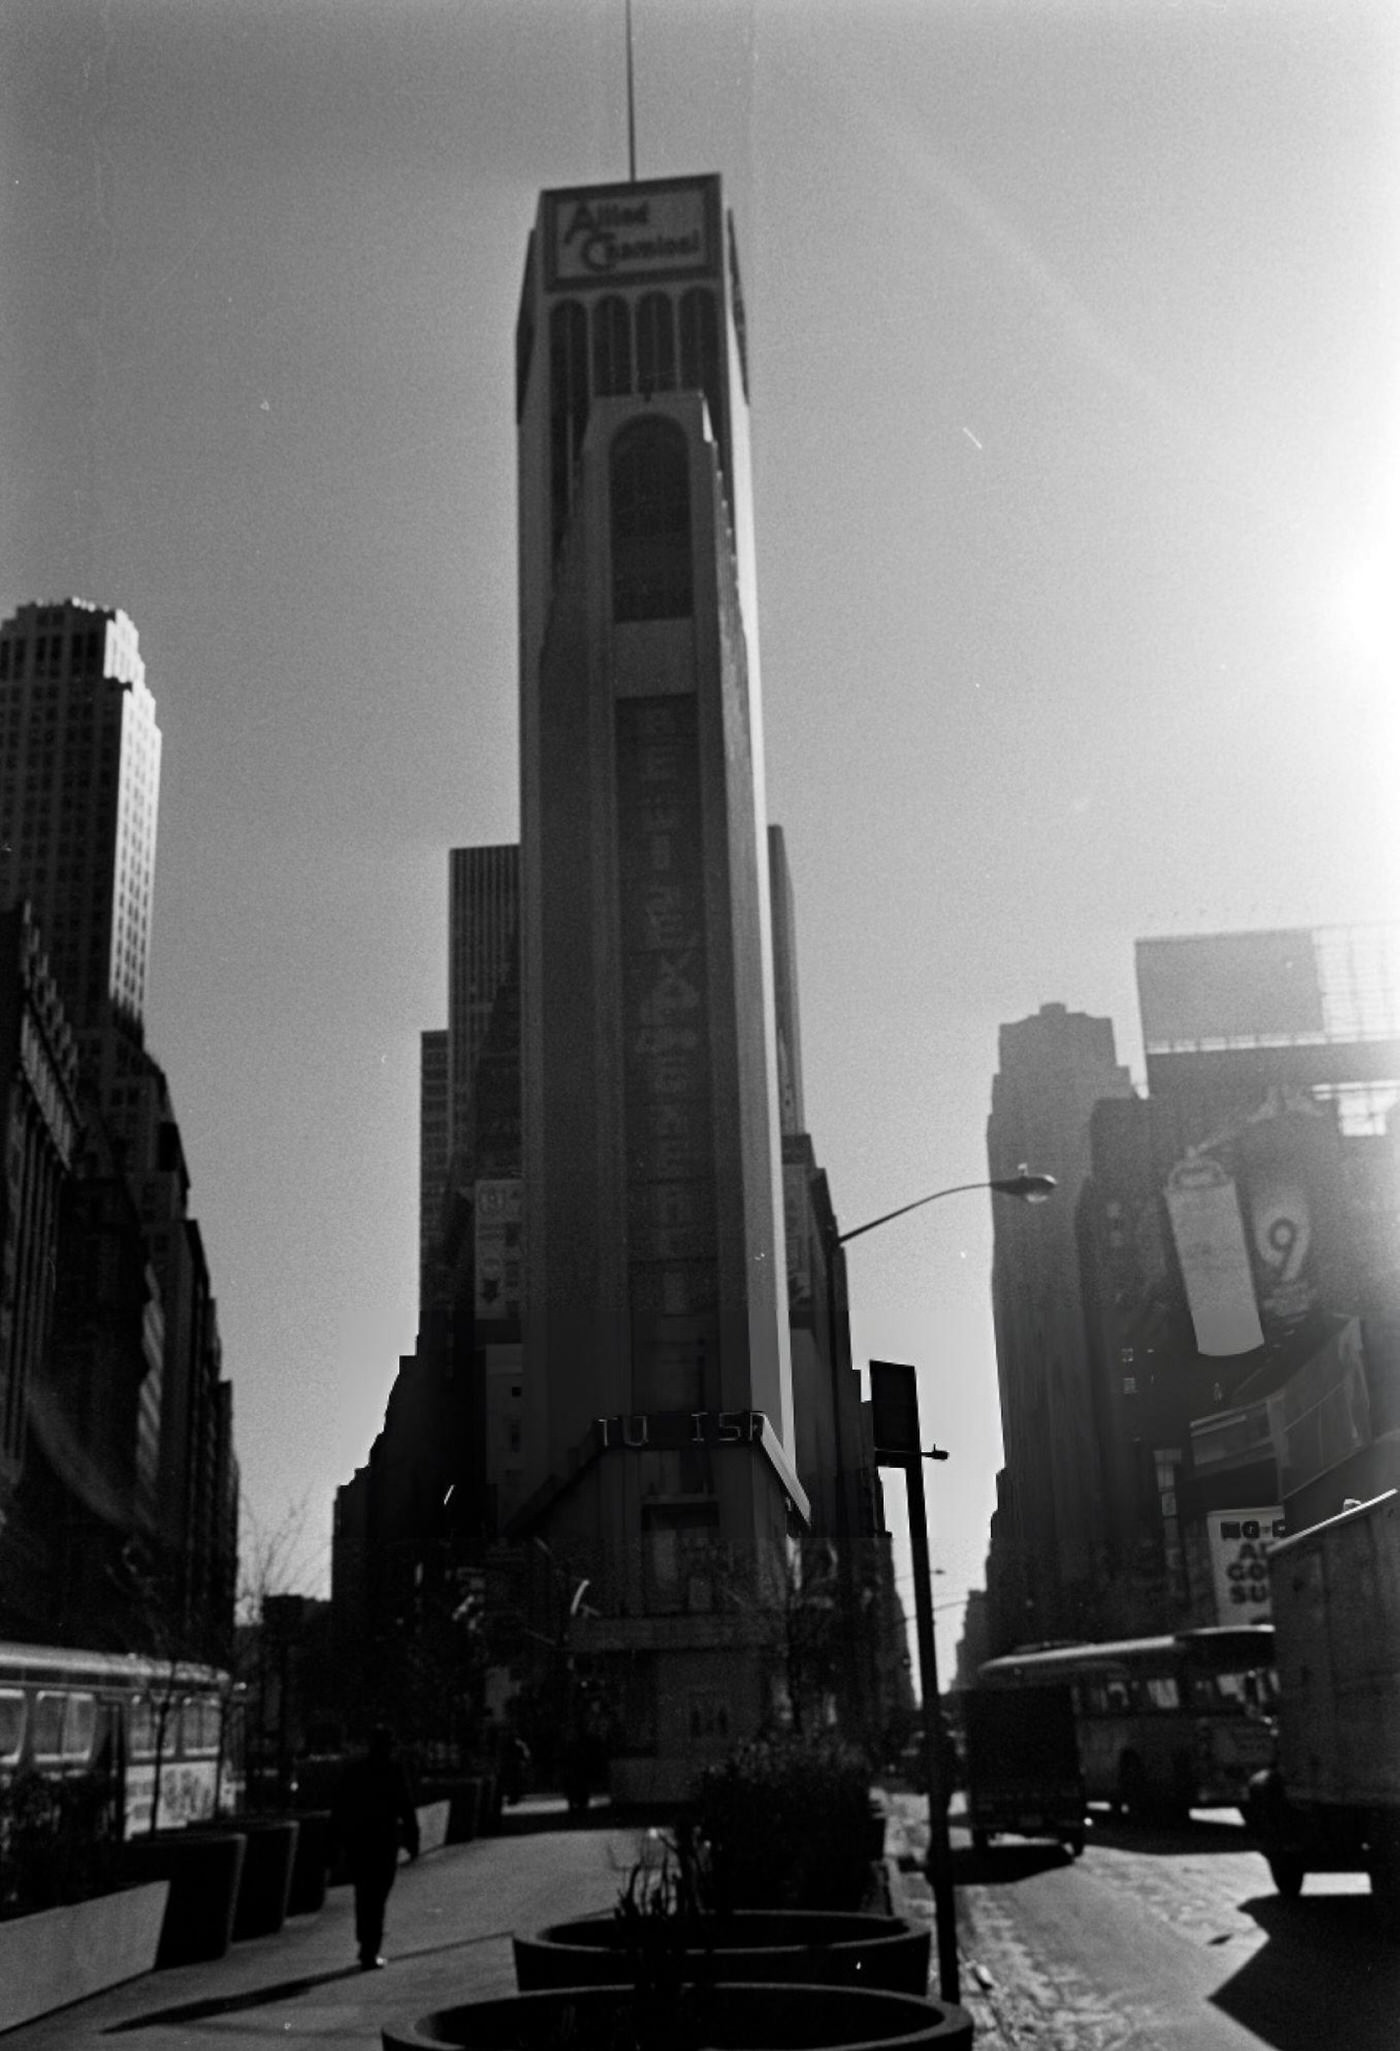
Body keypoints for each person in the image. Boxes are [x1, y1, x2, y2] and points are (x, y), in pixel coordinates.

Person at [331, 1725, 419, 1969]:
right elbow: (406, 1806)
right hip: (382, 1841)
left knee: (364, 1894)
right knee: (377, 1895)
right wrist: (413, 1839)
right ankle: (370, 1947)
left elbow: (340, 1808)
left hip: (359, 1841)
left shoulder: (355, 1772)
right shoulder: (393, 1771)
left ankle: (366, 1943)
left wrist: (336, 1841)